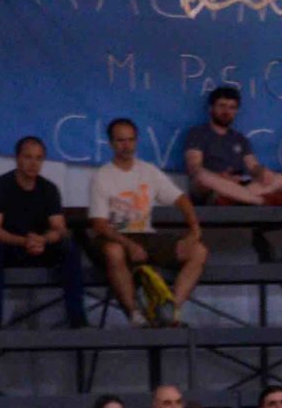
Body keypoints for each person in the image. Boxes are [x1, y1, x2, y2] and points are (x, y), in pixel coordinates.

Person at [88, 118, 208, 328]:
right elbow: (99, 225)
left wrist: (194, 229)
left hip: (145, 237)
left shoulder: (148, 170)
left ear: (136, 141)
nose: (126, 146)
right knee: (114, 251)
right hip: (114, 237)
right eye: (120, 140)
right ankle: (135, 314)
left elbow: (181, 199)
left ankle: (170, 309)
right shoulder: (102, 176)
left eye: (130, 140)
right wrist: (129, 245)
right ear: (111, 143)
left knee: (198, 251)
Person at [0, 136, 86, 329]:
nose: (33, 163)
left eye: (38, 158)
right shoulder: (1, 185)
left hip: (41, 248)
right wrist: (24, 241)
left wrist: (42, 240)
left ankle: (78, 321)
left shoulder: (49, 189)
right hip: (12, 248)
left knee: (70, 249)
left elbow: (59, 228)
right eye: (28, 157)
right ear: (17, 158)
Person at [183, 87, 282, 207]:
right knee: (201, 176)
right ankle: (259, 200)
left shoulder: (240, 139)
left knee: (280, 178)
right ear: (211, 108)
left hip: (239, 184)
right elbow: (194, 167)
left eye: (232, 107)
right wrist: (222, 178)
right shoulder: (197, 133)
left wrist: (263, 172)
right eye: (222, 106)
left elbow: (253, 166)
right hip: (212, 187)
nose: (226, 111)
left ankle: (233, 198)